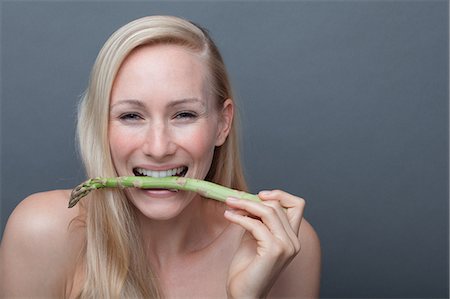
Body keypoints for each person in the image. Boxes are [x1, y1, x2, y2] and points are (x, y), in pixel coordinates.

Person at [0, 15, 321, 298]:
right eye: (131, 116)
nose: (158, 147)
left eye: (183, 114)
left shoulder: (287, 246)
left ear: (222, 124)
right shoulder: (42, 232)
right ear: (101, 125)